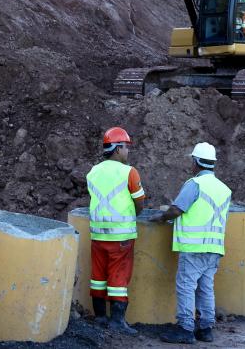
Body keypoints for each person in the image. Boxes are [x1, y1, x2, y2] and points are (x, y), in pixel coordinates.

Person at [149, 142, 231, 344]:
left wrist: (161, 218)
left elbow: (177, 209)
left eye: (192, 161)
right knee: (206, 288)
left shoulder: (195, 184)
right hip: (214, 248)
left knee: (186, 286)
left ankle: (185, 329)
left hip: (194, 247)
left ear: (196, 162)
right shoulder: (224, 189)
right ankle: (206, 329)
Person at [86, 127, 146, 335]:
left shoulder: (93, 172)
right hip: (121, 237)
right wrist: (134, 214)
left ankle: (100, 317)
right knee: (118, 278)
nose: (128, 151)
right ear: (117, 148)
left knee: (98, 277)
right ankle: (117, 321)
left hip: (98, 235)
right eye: (126, 147)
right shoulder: (129, 172)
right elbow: (139, 202)